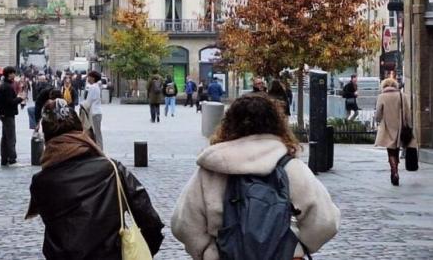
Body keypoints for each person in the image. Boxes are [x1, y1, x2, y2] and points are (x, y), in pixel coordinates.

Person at [171, 94, 340, 260]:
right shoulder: (291, 168)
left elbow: (183, 224)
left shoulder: (211, 171)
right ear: (277, 124)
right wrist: (295, 248)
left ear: (228, 124)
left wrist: (208, 252)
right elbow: (326, 222)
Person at [26, 98, 164, 259]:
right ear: (80, 128)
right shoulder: (111, 169)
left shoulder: (41, 182)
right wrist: (142, 250)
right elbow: (149, 219)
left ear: (47, 136)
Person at [375, 78, 416, 186]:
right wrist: (409, 126)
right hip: (401, 128)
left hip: (388, 128)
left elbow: (378, 114)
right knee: (397, 150)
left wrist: (378, 120)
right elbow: (408, 114)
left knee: (391, 152)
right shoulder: (402, 96)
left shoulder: (382, 97)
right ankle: (396, 170)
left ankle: (394, 172)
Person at [0, 66, 25, 166]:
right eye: (13, 73)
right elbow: (10, 102)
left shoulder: (3, 85)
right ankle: (12, 159)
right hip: (8, 114)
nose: (14, 75)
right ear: (9, 74)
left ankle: (4, 159)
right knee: (11, 137)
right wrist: (20, 98)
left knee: (5, 137)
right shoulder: (8, 87)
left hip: (3, 114)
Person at [81, 71, 103, 150]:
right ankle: (99, 148)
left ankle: (99, 149)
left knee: (96, 133)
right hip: (97, 112)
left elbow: (88, 101)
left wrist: (81, 105)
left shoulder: (93, 87)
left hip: (94, 113)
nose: (87, 78)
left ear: (93, 78)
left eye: (89, 77)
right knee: (97, 132)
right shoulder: (96, 86)